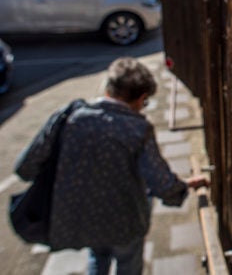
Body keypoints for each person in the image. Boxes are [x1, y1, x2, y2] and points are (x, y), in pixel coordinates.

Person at [14, 57, 208, 275]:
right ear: (141, 98)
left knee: (98, 256)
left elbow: (25, 167)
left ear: (108, 89)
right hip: (125, 221)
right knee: (128, 265)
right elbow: (161, 182)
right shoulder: (137, 129)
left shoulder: (69, 116)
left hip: (83, 217)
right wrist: (183, 187)